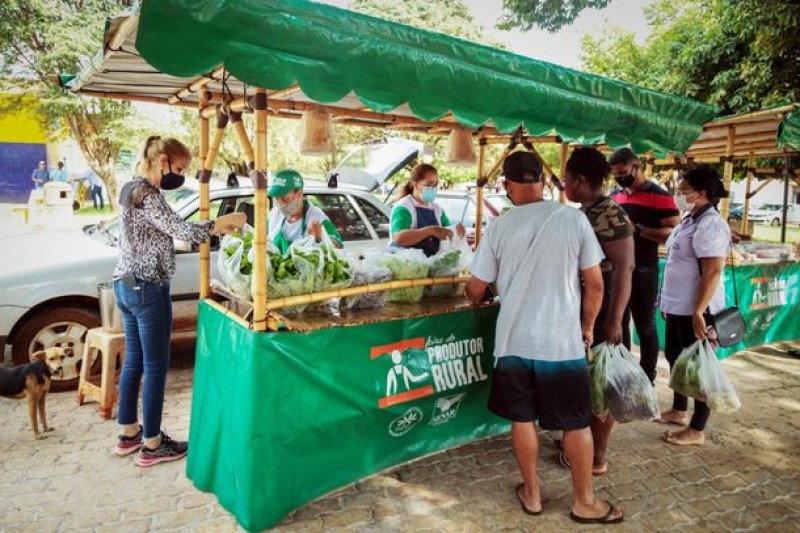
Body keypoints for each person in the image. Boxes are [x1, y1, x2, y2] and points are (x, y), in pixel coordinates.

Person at [465, 151, 624, 524]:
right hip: (560, 342)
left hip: (514, 342)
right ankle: (584, 502)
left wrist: (487, 293)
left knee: (522, 419)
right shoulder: (573, 219)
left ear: (506, 187)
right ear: (544, 181)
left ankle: (532, 494)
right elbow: (596, 284)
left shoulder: (500, 227)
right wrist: (586, 328)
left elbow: (475, 288)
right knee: (575, 422)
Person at [112, 136, 246, 467]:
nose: (181, 175)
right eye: (180, 168)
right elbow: (179, 230)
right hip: (147, 288)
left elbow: (166, 229)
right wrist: (219, 225)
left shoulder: (130, 188)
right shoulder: (148, 194)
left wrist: (214, 226)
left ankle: (129, 433)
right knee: (156, 366)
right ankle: (153, 443)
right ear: (162, 161)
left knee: (134, 362)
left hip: (125, 285)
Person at [562, 147, 635, 475]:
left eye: (566, 179)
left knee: (603, 385)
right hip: (586, 305)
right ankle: (584, 443)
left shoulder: (610, 214)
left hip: (605, 309)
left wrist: (615, 319)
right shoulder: (586, 211)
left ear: (579, 180)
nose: (564, 185)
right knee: (587, 382)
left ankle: (598, 457)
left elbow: (625, 268)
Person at [658, 165, 731, 446]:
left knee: (698, 368)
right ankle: (678, 409)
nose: (679, 194)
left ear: (701, 194)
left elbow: (712, 272)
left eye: (684, 190)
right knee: (678, 358)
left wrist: (699, 311)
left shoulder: (711, 224)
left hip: (698, 309)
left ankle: (697, 428)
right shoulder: (691, 219)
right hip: (679, 306)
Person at [609, 148, 680, 384]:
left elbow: (673, 233)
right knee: (618, 323)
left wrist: (638, 229)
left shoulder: (660, 195)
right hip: (618, 270)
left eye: (623, 172)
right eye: (615, 175)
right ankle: (624, 373)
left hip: (643, 270)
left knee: (645, 326)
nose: (620, 178)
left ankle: (647, 378)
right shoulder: (615, 195)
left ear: (636, 166)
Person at [390, 163, 465, 257]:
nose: (433, 188)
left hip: (429, 264)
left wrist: (456, 230)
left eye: (436, 184)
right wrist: (430, 230)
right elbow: (399, 238)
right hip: (406, 264)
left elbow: (447, 232)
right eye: (429, 184)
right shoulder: (404, 207)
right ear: (416, 185)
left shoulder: (437, 210)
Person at [268, 168, 343, 254]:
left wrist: (320, 237)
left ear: (299, 194)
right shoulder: (274, 214)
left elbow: (338, 247)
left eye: (285, 199)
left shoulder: (317, 217)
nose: (280, 203)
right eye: (277, 198)